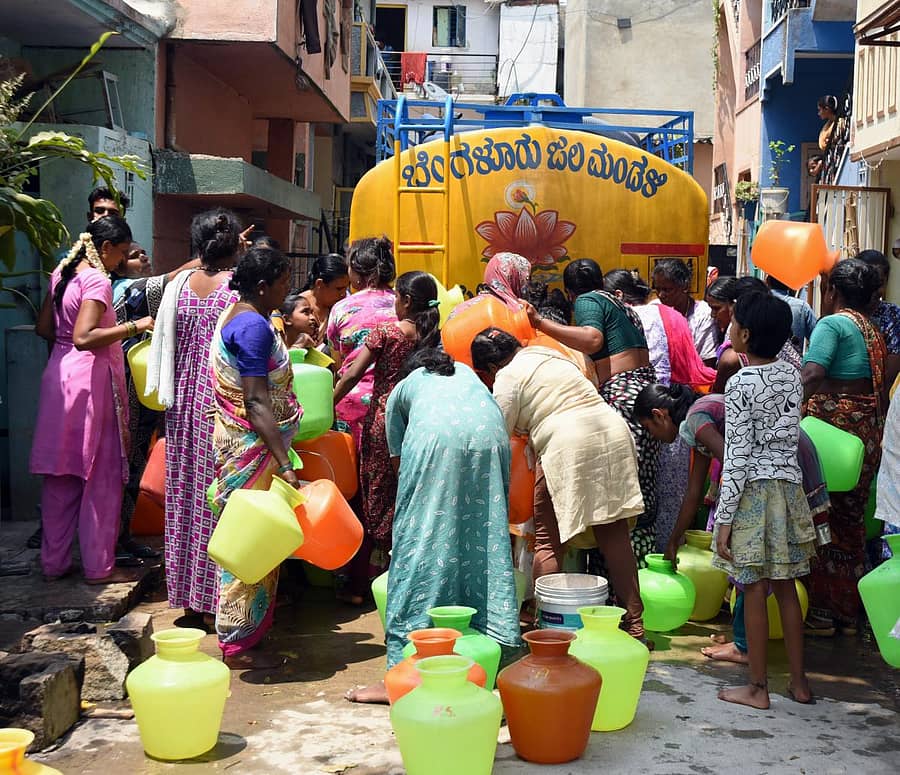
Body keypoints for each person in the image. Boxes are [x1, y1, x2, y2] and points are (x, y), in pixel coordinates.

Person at [346, 347, 521, 703]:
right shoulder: (469, 376)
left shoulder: (404, 387)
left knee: (418, 544)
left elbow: (400, 469)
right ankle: (496, 660)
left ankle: (398, 676)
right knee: (482, 537)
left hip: (436, 444)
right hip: (492, 441)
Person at [471, 328, 647, 640]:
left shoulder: (507, 379)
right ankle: (635, 625)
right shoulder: (549, 354)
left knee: (548, 542)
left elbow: (496, 437)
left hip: (568, 443)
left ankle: (546, 629)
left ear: (490, 370)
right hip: (611, 430)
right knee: (615, 537)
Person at [635, 383, 830, 663]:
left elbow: (733, 463)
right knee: (767, 571)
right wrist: (674, 539)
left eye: (649, 427)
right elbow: (694, 491)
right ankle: (748, 638)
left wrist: (727, 520)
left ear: (660, 415)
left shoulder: (696, 419)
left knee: (748, 565)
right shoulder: (699, 416)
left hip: (781, 467)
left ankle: (744, 646)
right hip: (787, 457)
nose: (652, 436)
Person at [31, 216, 153, 583]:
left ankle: (54, 563)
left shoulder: (61, 273)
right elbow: (85, 336)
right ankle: (99, 567)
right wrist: (137, 325)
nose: (121, 262)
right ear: (105, 249)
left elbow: (44, 329)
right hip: (91, 381)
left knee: (61, 475)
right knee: (101, 474)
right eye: (121, 254)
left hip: (59, 377)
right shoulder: (96, 280)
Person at [711, 291, 815, 708]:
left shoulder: (740, 383)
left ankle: (757, 688)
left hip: (753, 490)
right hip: (788, 490)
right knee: (787, 588)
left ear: (746, 334)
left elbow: (737, 456)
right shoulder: (792, 375)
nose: (729, 328)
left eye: (734, 323)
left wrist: (723, 518)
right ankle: (800, 683)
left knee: (751, 590)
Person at [520, 258, 659, 563]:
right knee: (638, 492)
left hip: (621, 396)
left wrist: (540, 324)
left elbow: (594, 340)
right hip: (643, 395)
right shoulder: (623, 306)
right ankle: (638, 569)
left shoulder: (588, 300)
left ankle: (607, 577)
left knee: (613, 501)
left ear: (569, 293)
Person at [147, 208, 243, 624]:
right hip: (219, 409)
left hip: (182, 404)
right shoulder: (236, 292)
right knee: (219, 503)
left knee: (185, 499)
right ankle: (214, 603)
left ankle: (188, 597)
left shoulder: (179, 285)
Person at [208, 247, 301, 669]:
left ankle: (246, 635)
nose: (288, 289)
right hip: (254, 450)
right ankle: (238, 642)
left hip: (242, 446)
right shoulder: (252, 328)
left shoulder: (238, 315)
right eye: (283, 282)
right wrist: (284, 463)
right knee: (251, 547)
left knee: (251, 543)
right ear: (263, 287)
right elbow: (256, 402)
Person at [333, 271, 441, 598]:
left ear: (406, 301)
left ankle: (362, 584)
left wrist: (329, 400)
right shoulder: (431, 334)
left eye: (396, 296)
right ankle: (407, 579)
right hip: (418, 422)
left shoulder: (387, 332)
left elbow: (352, 373)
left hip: (383, 422)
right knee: (408, 496)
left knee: (374, 499)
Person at [803, 259, 886, 634]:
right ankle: (847, 613)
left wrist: (784, 407)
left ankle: (821, 611)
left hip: (833, 436)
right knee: (849, 523)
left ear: (832, 291)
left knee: (822, 516)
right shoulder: (871, 328)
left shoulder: (833, 324)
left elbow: (813, 374)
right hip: (864, 435)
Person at [327, 236, 397, 449]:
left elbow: (338, 362)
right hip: (395, 405)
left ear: (356, 273)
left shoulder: (342, 308)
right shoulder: (403, 304)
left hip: (349, 403)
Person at [604, 268, 715, 389]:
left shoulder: (621, 317)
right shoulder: (670, 313)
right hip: (679, 390)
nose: (662, 294)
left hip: (643, 392)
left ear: (618, 295)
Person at [707, 276, 801, 394]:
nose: (712, 315)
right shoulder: (791, 374)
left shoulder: (737, 373)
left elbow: (721, 401)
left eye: (716, 308)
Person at [651, 258, 718, 366]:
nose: (661, 295)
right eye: (658, 289)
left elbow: (707, 360)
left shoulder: (703, 314)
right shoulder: (653, 309)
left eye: (667, 290)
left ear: (685, 286)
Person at [856, 249, 900, 389]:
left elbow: (890, 374)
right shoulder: (845, 310)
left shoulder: (892, 315)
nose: (874, 289)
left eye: (879, 283)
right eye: (868, 283)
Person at [449, 251, 532, 318]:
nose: (528, 285)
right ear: (516, 280)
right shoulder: (517, 315)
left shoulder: (459, 309)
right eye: (526, 279)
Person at [299, 253, 350, 347]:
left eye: (346, 288)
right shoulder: (295, 309)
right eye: (339, 289)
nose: (343, 294)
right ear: (320, 284)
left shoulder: (343, 309)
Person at [765, 274, 817, 353]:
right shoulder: (801, 307)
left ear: (767, 281)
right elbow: (817, 339)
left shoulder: (758, 304)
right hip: (794, 362)